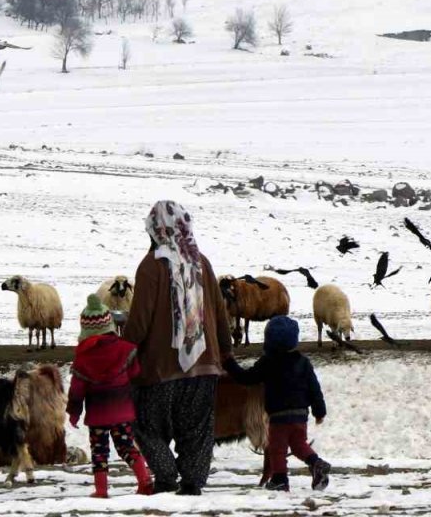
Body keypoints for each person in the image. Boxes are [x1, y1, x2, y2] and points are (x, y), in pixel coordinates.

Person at [122, 200, 233, 495]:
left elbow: (140, 320)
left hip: (160, 369)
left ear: (156, 231)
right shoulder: (202, 263)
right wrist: (226, 351)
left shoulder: (151, 266)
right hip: (204, 365)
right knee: (196, 429)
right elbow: (219, 312)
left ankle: (167, 475)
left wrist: (124, 353)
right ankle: (193, 484)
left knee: (145, 423)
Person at [223, 315, 331, 491]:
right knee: (298, 445)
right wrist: (319, 412)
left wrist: (229, 363)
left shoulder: (268, 362)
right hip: (300, 415)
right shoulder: (303, 362)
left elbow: (247, 378)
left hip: (279, 416)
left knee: (277, 448)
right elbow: (314, 389)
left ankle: (280, 479)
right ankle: (315, 462)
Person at [66, 295, 153, 497]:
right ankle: (145, 480)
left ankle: (101, 490)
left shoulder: (83, 357)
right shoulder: (125, 350)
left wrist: (74, 412)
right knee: (126, 447)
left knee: (99, 452)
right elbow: (135, 373)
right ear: (109, 323)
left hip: (97, 414)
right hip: (122, 410)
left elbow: (77, 389)